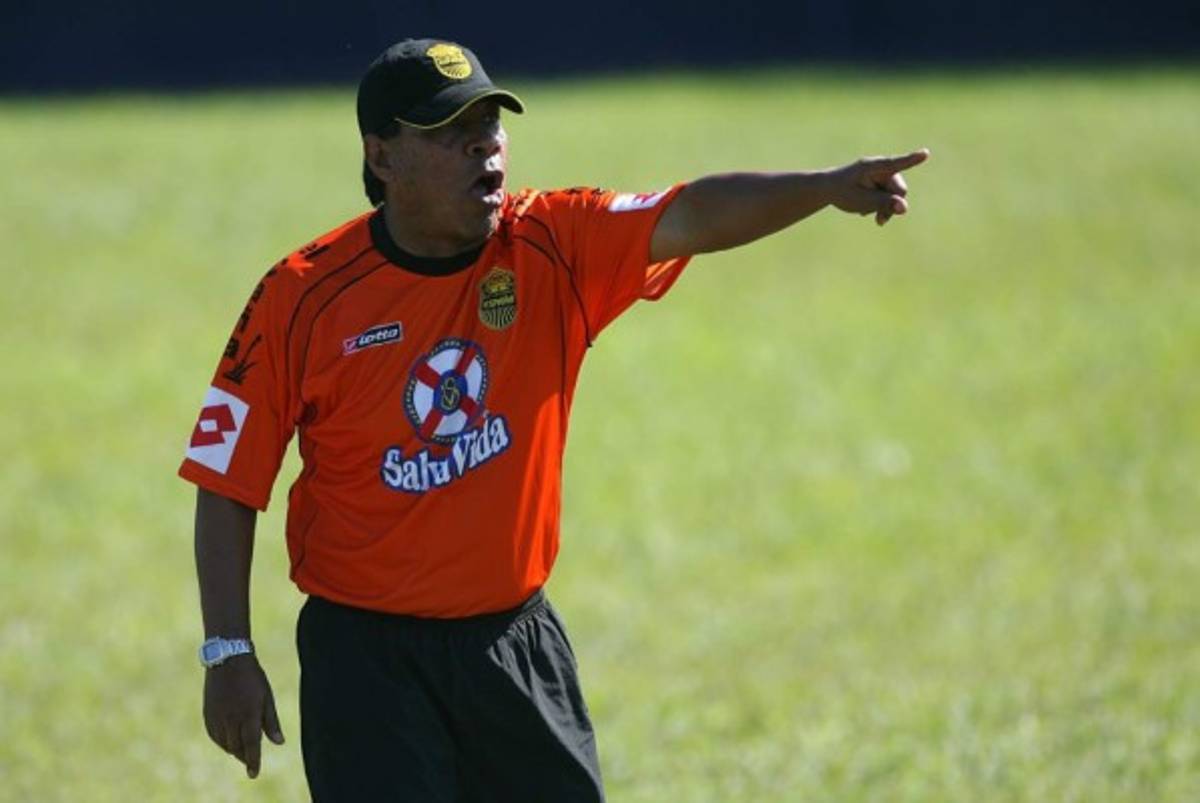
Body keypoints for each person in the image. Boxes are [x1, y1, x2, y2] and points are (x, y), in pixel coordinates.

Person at [181, 37, 929, 802]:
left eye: (490, 124)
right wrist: (227, 648)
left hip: (515, 644)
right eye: (448, 131)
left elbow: (690, 212)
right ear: (382, 156)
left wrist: (822, 187)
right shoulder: (302, 295)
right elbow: (226, 478)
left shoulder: (551, 244)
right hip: (367, 664)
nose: (483, 145)